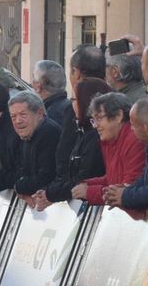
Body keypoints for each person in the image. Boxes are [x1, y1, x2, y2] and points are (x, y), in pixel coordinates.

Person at [32, 78, 107, 208]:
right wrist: (50, 191)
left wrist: (51, 193)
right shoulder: (83, 131)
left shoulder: (96, 136)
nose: (71, 105)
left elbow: (85, 176)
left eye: (74, 100)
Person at [31, 60, 72, 130]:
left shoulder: (45, 116)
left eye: (33, 77)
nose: (31, 83)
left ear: (38, 86)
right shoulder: (72, 107)